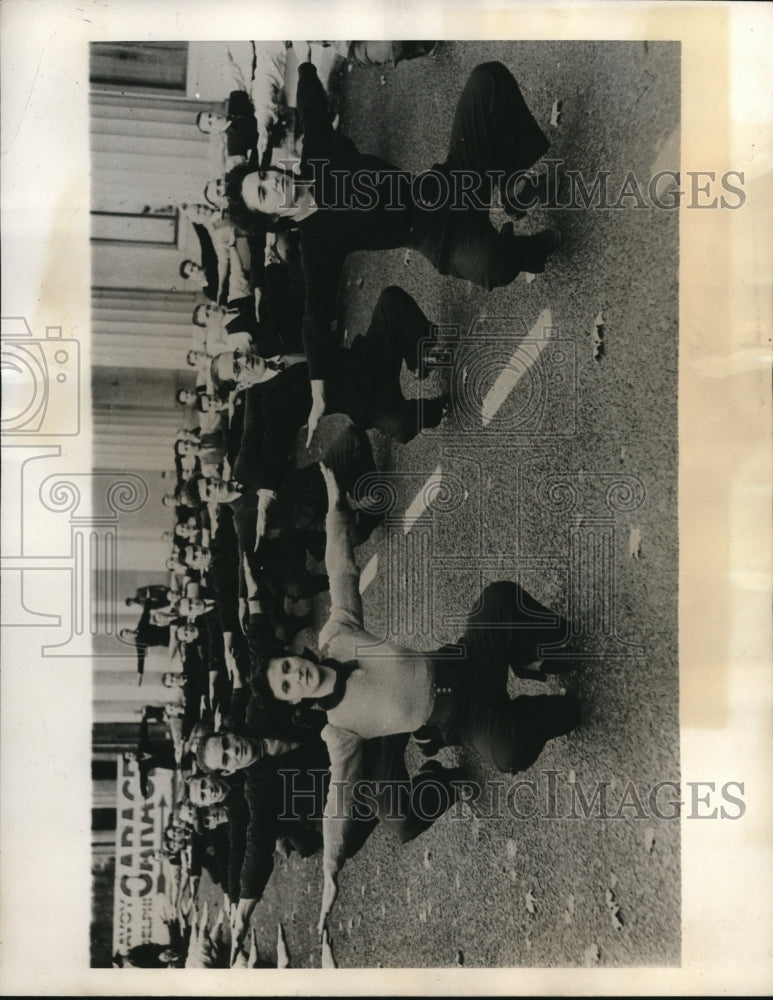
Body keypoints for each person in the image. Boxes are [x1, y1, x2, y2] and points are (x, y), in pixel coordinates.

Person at [253, 462, 582, 933]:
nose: (295, 676)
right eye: (286, 686)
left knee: (499, 598)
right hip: (464, 718)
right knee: (516, 747)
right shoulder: (339, 731)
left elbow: (339, 568)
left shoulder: (337, 634)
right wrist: (330, 865)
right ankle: (535, 710)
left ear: (292, 655)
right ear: (291, 703)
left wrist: (334, 508)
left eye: (286, 666)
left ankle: (537, 659)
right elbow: (337, 800)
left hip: (465, 661)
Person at [225, 59, 560, 440]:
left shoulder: (318, 155)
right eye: (264, 195)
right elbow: (313, 320)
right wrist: (318, 390)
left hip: (450, 183)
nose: (274, 184)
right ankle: (526, 251)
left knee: (489, 79)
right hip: (443, 240)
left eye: (265, 176)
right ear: (270, 218)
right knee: (492, 264)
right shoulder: (317, 245)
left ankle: (511, 186)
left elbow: (311, 105)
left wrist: (303, 66)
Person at [211, 285, 451, 451]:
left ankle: (420, 357)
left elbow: (287, 305)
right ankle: (439, 407)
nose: (243, 361)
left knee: (391, 299)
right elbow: (268, 445)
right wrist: (268, 489)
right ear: (242, 384)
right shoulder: (271, 403)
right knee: (401, 426)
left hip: (367, 357)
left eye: (237, 356)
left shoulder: (270, 340)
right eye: (237, 368)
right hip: (369, 401)